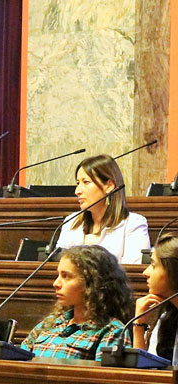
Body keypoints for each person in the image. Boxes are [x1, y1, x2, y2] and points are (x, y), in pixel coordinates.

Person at [21, 245, 132, 360]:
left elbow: (107, 371)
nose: (56, 283)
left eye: (66, 276)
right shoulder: (50, 323)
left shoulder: (111, 331)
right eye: (58, 275)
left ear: (93, 283)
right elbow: (19, 361)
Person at [54, 153, 150, 264]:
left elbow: (133, 270)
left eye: (86, 182)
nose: (77, 191)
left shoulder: (133, 224)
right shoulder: (71, 222)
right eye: (78, 183)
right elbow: (61, 265)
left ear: (109, 186)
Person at [133, 233, 178, 363]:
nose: (145, 273)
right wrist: (138, 326)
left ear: (173, 271)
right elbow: (144, 371)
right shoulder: (167, 316)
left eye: (153, 265)